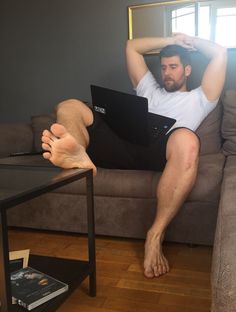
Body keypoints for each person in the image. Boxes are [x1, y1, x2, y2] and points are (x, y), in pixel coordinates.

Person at [41, 33, 227, 279]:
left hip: (160, 152)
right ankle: (77, 153)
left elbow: (220, 54)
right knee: (69, 105)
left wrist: (186, 41)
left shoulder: (201, 98)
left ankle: (154, 236)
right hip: (122, 143)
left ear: (188, 69)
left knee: (187, 139)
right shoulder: (149, 88)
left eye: (173, 67)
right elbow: (132, 46)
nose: (167, 73)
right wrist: (168, 40)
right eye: (163, 67)